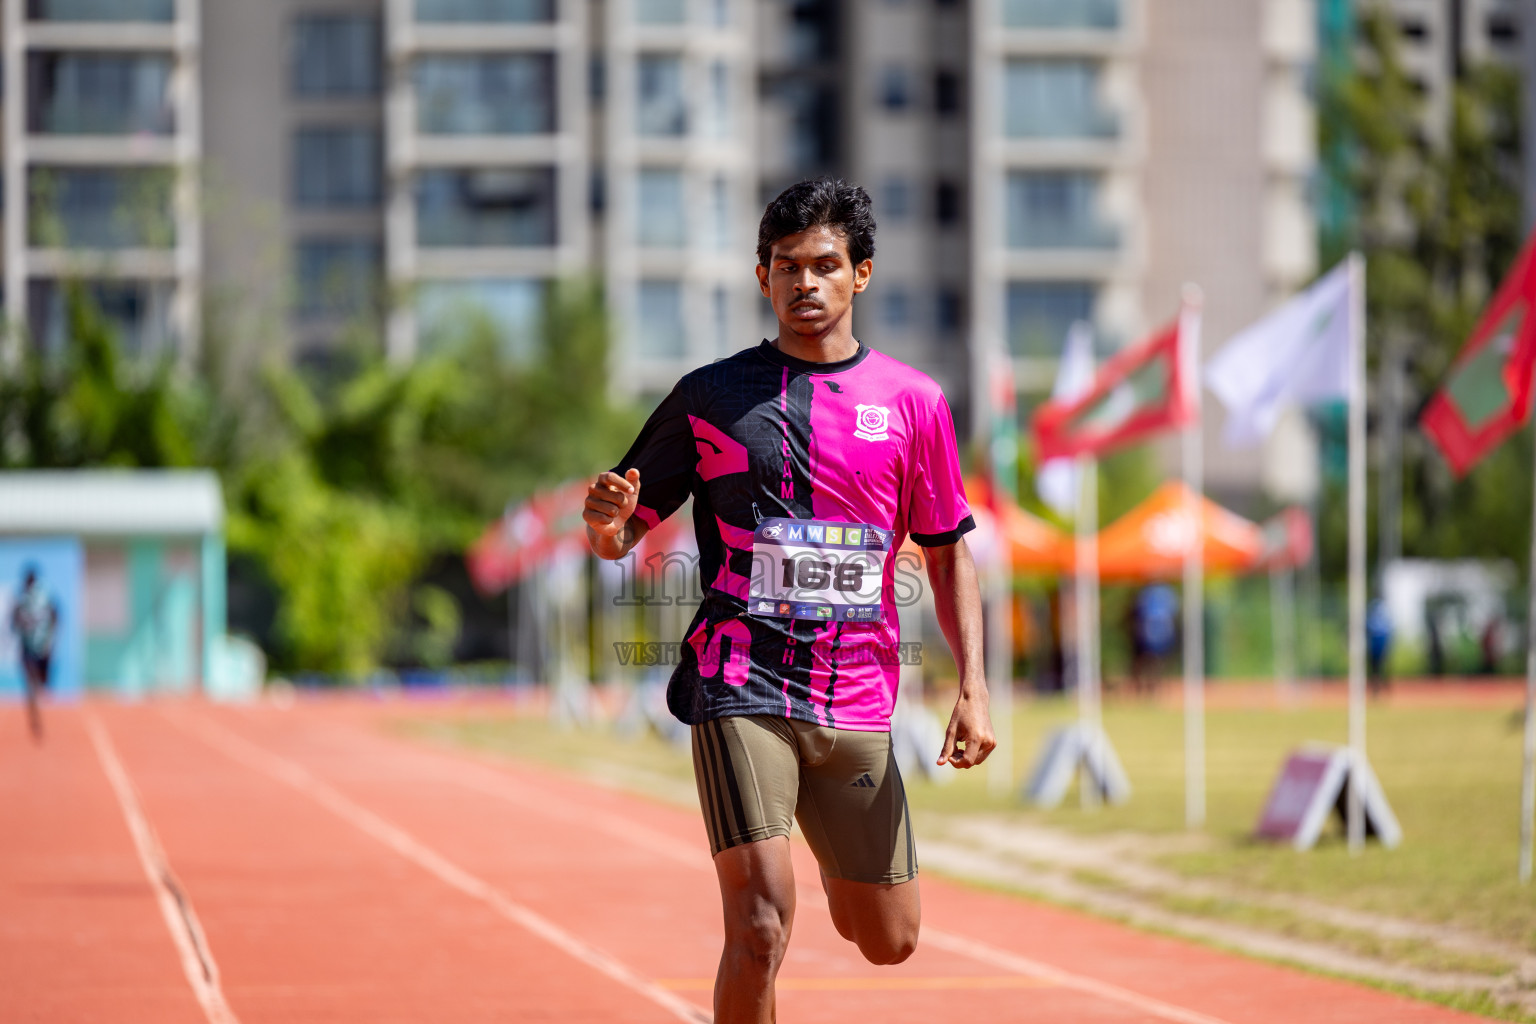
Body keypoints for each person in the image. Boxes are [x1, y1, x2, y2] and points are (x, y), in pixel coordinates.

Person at [584, 178, 994, 1023]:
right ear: (762, 278)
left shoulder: (913, 403)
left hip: (858, 697)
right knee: (762, 923)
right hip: (741, 682)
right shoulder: (711, 397)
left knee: (889, 936)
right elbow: (621, 531)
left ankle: (832, 846)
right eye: (785, 267)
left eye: (825, 265)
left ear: (862, 275)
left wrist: (973, 685)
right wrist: (607, 527)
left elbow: (950, 556)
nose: (804, 283)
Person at [12, 567, 58, 741]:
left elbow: (55, 615)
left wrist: (51, 640)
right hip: (27, 648)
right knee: (30, 682)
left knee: (43, 683)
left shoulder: (45, 597)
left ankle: (37, 694)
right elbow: (14, 619)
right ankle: (34, 713)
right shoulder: (21, 600)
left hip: (42, 647)